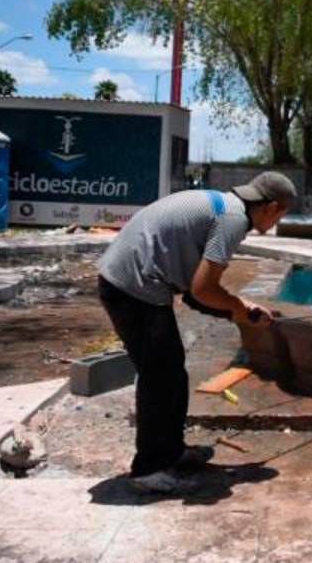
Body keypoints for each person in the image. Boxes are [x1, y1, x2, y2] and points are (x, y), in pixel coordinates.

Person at [96, 171, 295, 493]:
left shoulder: (223, 206)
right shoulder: (231, 220)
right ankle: (148, 469)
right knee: (160, 375)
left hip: (130, 282)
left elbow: (194, 291)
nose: (276, 223)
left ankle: (170, 452)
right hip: (132, 288)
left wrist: (238, 310)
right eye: (281, 215)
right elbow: (204, 290)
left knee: (171, 372)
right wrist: (237, 308)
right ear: (272, 207)